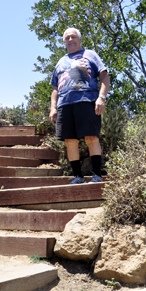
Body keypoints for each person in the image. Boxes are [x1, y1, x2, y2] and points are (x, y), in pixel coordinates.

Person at [49, 27, 110, 184]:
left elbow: (104, 76)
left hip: (86, 100)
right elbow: (55, 88)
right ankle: (78, 177)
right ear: (64, 42)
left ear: (79, 39)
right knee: (70, 141)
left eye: (73, 37)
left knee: (91, 137)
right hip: (65, 105)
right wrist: (53, 108)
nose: (70, 40)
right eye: (67, 38)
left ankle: (97, 175)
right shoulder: (61, 62)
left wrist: (101, 98)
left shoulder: (90, 55)